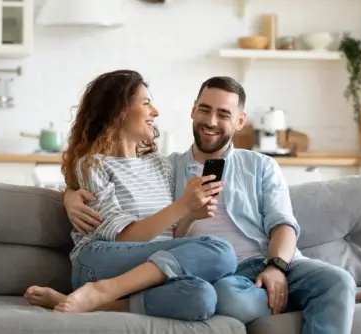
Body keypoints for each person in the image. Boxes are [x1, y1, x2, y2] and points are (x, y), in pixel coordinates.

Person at [63, 76, 361, 333]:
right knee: (225, 299)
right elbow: (110, 182)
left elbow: (284, 225)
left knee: (339, 279)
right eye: (205, 110)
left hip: (275, 263)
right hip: (227, 277)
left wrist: (276, 267)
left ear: (239, 121)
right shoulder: (170, 168)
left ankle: (329, 293)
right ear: (193, 111)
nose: (211, 122)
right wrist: (68, 196)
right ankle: (321, 298)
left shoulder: (260, 165)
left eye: (223, 115)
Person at [24, 70, 239, 321]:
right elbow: (124, 237)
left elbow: (169, 238)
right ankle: (102, 289)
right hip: (100, 262)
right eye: (146, 103)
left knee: (202, 298)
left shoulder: (162, 166)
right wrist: (181, 206)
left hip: (146, 271)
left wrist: (190, 215)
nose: (155, 112)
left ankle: (95, 301)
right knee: (222, 251)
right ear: (119, 111)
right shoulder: (94, 165)